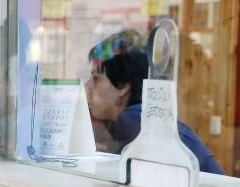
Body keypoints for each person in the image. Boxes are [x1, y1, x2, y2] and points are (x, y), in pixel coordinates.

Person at [84, 43, 224, 174]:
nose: (87, 86)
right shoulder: (140, 115)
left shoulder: (135, 118)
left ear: (123, 87)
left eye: (96, 79)